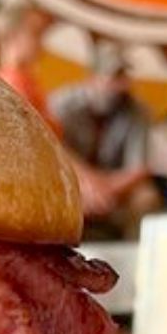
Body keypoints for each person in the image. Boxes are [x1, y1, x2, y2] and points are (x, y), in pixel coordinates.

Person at [0, 0, 143, 221]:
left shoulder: (29, 82)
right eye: (35, 33)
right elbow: (46, 147)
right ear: (12, 36)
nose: (41, 42)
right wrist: (89, 182)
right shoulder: (13, 86)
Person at [49, 42, 159, 236]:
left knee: (146, 197)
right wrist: (86, 185)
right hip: (73, 182)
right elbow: (54, 154)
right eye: (114, 77)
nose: (121, 85)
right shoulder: (62, 105)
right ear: (92, 78)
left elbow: (139, 169)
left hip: (113, 185)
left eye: (124, 76)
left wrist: (105, 189)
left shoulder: (137, 111)